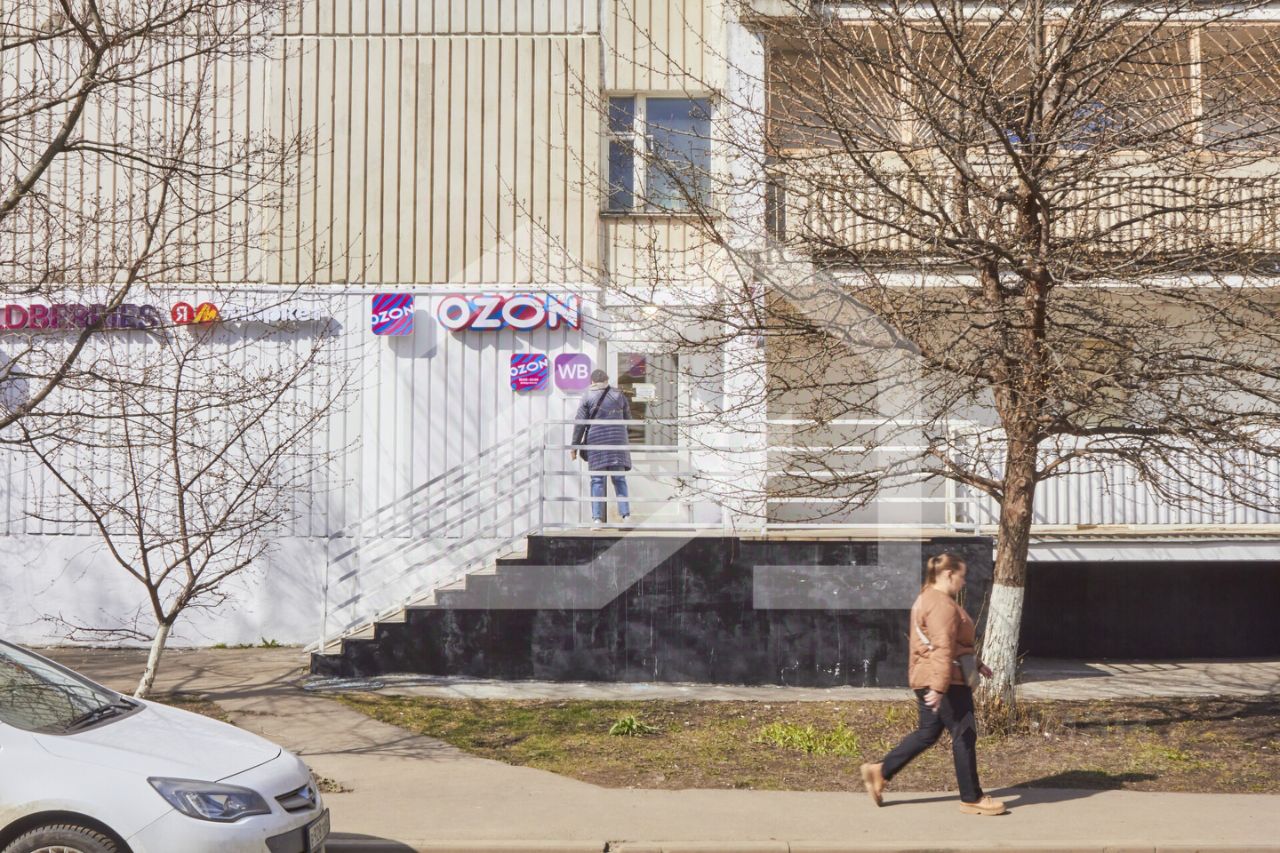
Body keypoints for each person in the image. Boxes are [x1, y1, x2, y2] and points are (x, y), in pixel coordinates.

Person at [859, 552, 1007, 816]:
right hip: (946, 680)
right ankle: (972, 798)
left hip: (934, 676)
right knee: (964, 733)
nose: (964, 582)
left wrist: (976, 663)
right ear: (949, 574)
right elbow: (942, 647)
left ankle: (880, 770)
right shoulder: (940, 604)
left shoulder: (929, 599)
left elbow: (949, 643)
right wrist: (939, 688)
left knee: (927, 733)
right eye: (962, 576)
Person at [570, 369, 632, 525]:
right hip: (617, 442)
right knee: (619, 479)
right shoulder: (619, 395)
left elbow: (580, 424)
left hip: (596, 442)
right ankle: (626, 516)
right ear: (606, 380)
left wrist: (574, 446)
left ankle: (597, 519)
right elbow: (628, 419)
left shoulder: (587, 396)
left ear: (592, 381)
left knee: (597, 480)